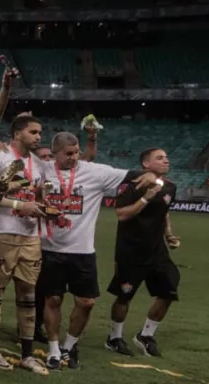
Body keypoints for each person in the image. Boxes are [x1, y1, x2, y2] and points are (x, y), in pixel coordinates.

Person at [37, 133, 155, 370]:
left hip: (82, 251)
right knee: (53, 299)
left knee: (87, 302)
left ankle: (69, 347)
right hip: (49, 248)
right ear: (55, 152)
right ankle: (52, 350)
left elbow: (132, 174)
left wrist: (150, 174)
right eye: (68, 153)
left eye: (77, 152)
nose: (74, 157)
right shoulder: (42, 170)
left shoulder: (95, 172)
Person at [0, 115, 47, 374]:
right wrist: (21, 205)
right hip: (2, 232)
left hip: (30, 236)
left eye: (40, 132)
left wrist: (43, 205)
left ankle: (27, 355)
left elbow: (36, 193)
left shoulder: (39, 165)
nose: (38, 137)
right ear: (18, 133)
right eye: (33, 132)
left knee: (28, 294)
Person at [106, 148, 179, 357]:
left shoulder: (170, 187)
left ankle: (145, 336)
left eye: (166, 156)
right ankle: (114, 338)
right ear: (146, 164)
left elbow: (164, 213)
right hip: (131, 250)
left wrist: (169, 234)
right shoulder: (131, 186)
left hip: (157, 250)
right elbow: (121, 215)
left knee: (169, 290)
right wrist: (146, 198)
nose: (166, 160)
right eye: (160, 158)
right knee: (124, 296)